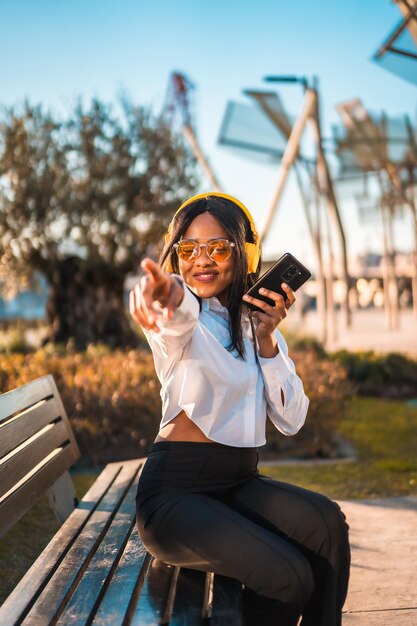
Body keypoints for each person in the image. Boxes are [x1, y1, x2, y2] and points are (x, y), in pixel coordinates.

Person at [130, 192, 350, 626]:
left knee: (328, 525)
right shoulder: (186, 320)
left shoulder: (256, 324)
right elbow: (175, 308)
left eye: (217, 247)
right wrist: (164, 291)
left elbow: (292, 419)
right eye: (188, 250)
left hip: (237, 483)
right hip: (175, 495)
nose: (202, 260)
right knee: (289, 577)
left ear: (244, 253)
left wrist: (268, 342)